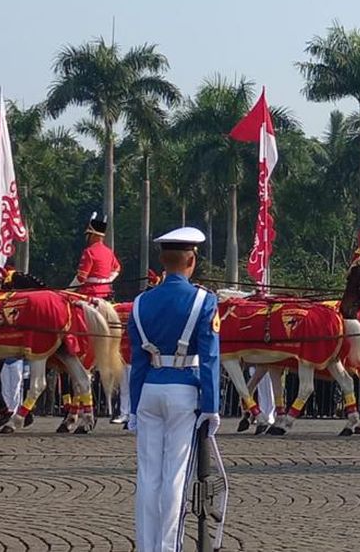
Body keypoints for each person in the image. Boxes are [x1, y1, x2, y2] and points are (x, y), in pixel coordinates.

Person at [128, 226, 220, 552]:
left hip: (149, 391)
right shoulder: (203, 300)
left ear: (163, 262)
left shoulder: (141, 302)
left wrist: (133, 408)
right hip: (184, 393)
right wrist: (211, 407)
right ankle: (168, 548)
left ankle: (145, 546)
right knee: (176, 477)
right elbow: (209, 358)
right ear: (191, 260)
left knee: (147, 476)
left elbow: (138, 362)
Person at [71, 212, 121, 299]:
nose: (86, 237)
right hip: (105, 292)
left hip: (90, 293)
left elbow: (81, 278)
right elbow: (117, 268)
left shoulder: (89, 252)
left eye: (88, 235)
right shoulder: (109, 252)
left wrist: (68, 291)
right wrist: (107, 280)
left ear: (93, 235)